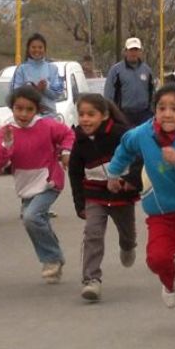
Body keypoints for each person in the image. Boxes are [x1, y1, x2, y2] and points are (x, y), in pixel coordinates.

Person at [106, 83, 175, 329]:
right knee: (157, 258)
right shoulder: (144, 133)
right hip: (160, 213)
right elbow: (125, 146)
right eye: (161, 108)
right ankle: (169, 279)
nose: (167, 114)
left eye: (174, 108)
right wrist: (113, 172)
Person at [0, 86, 74, 283]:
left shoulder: (47, 126)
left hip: (49, 181)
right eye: (19, 109)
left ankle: (52, 259)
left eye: (29, 109)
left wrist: (66, 151)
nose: (24, 114)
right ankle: (55, 258)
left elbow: (68, 135)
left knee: (31, 217)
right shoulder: (6, 131)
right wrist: (6, 146)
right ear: (12, 108)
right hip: (25, 185)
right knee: (35, 222)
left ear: (37, 110)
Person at [68, 94, 140, 301]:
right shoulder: (80, 140)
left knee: (127, 234)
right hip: (94, 195)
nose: (85, 119)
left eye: (91, 114)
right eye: (82, 114)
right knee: (92, 234)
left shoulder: (121, 134)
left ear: (105, 115)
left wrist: (130, 180)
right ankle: (91, 280)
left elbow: (139, 158)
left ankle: (128, 246)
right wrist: (79, 203)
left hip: (121, 194)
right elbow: (75, 172)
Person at [104, 37, 155, 126]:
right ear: (125, 51)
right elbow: (109, 94)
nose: (133, 53)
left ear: (140, 52)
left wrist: (152, 111)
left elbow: (153, 92)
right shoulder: (116, 70)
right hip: (123, 114)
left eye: (136, 50)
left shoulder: (147, 70)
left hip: (144, 115)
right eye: (131, 50)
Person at [11, 33, 64, 118]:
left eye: (40, 47)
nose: (37, 50)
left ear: (45, 49)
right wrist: (33, 90)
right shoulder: (21, 69)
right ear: (28, 49)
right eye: (33, 47)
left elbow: (58, 93)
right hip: (27, 118)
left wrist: (45, 88)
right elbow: (15, 93)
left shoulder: (53, 68)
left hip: (49, 117)